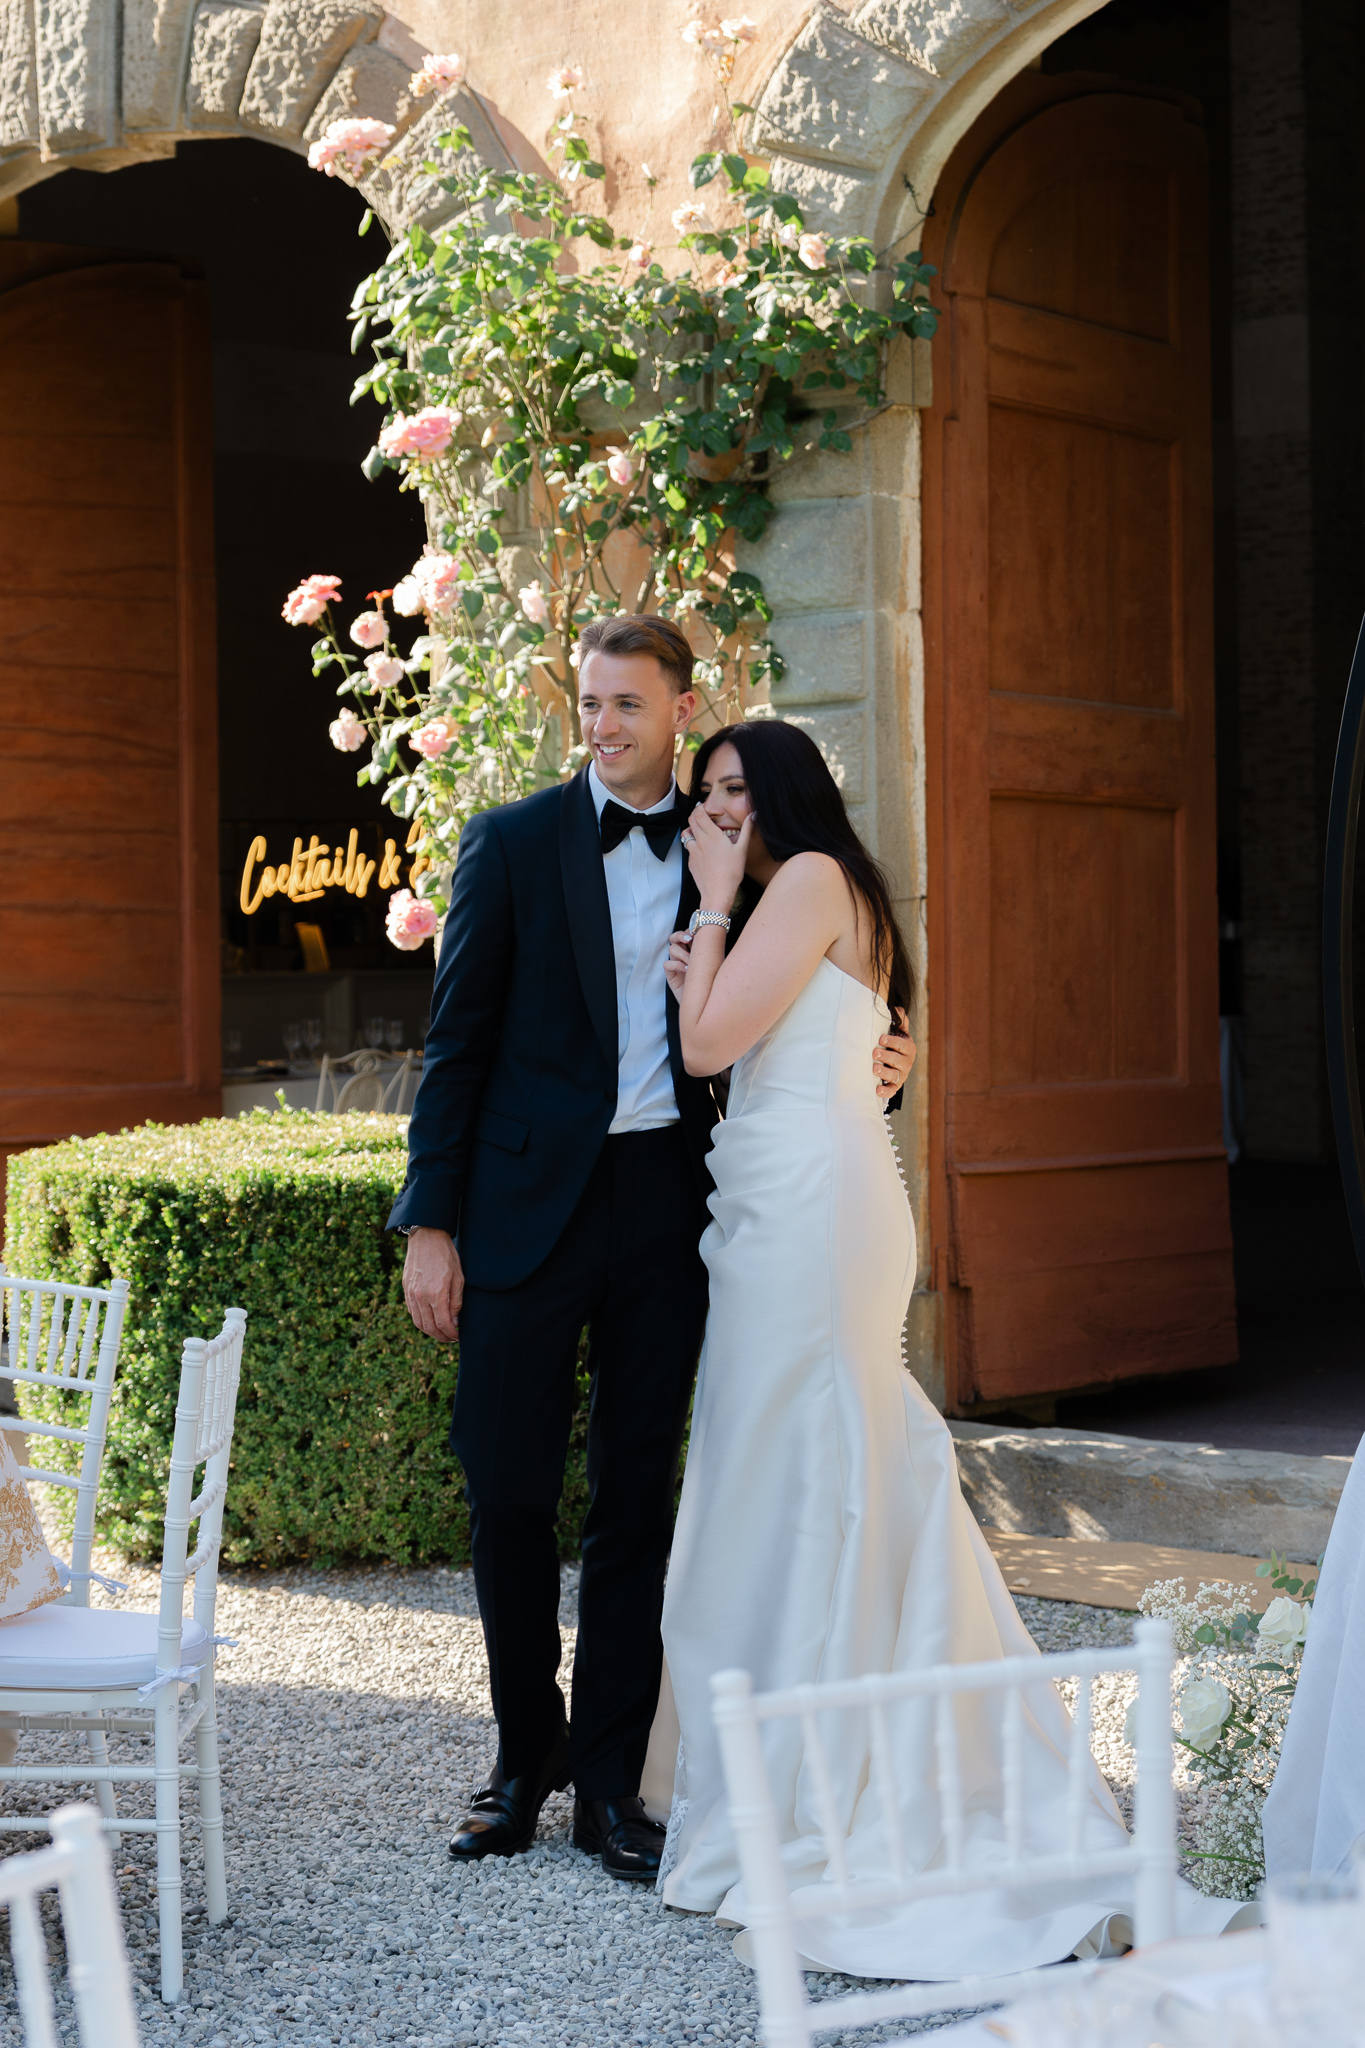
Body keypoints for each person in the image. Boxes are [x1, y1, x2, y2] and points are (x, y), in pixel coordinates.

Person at [656, 719, 1240, 1977]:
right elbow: (807, 1056)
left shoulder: (807, 880)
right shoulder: (825, 892)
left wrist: (705, 912)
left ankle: (828, 1782)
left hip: (810, 1213)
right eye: (707, 794)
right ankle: (815, 1754)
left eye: (737, 790)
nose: (718, 812)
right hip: (794, 1197)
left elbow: (708, 1047)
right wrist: (716, 946)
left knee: (800, 1466)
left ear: (787, 794)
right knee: (800, 1462)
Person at [392, 615, 915, 1883]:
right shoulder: (512, 841)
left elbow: (828, 998)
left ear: (682, 709)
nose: (604, 724)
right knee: (506, 1486)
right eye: (590, 702)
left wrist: (888, 1063)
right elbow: (455, 1046)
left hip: (670, 1206)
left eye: (627, 703)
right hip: (523, 1208)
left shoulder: (737, 847)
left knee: (638, 1494)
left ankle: (614, 1781)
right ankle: (523, 1755)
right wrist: (431, 1224)